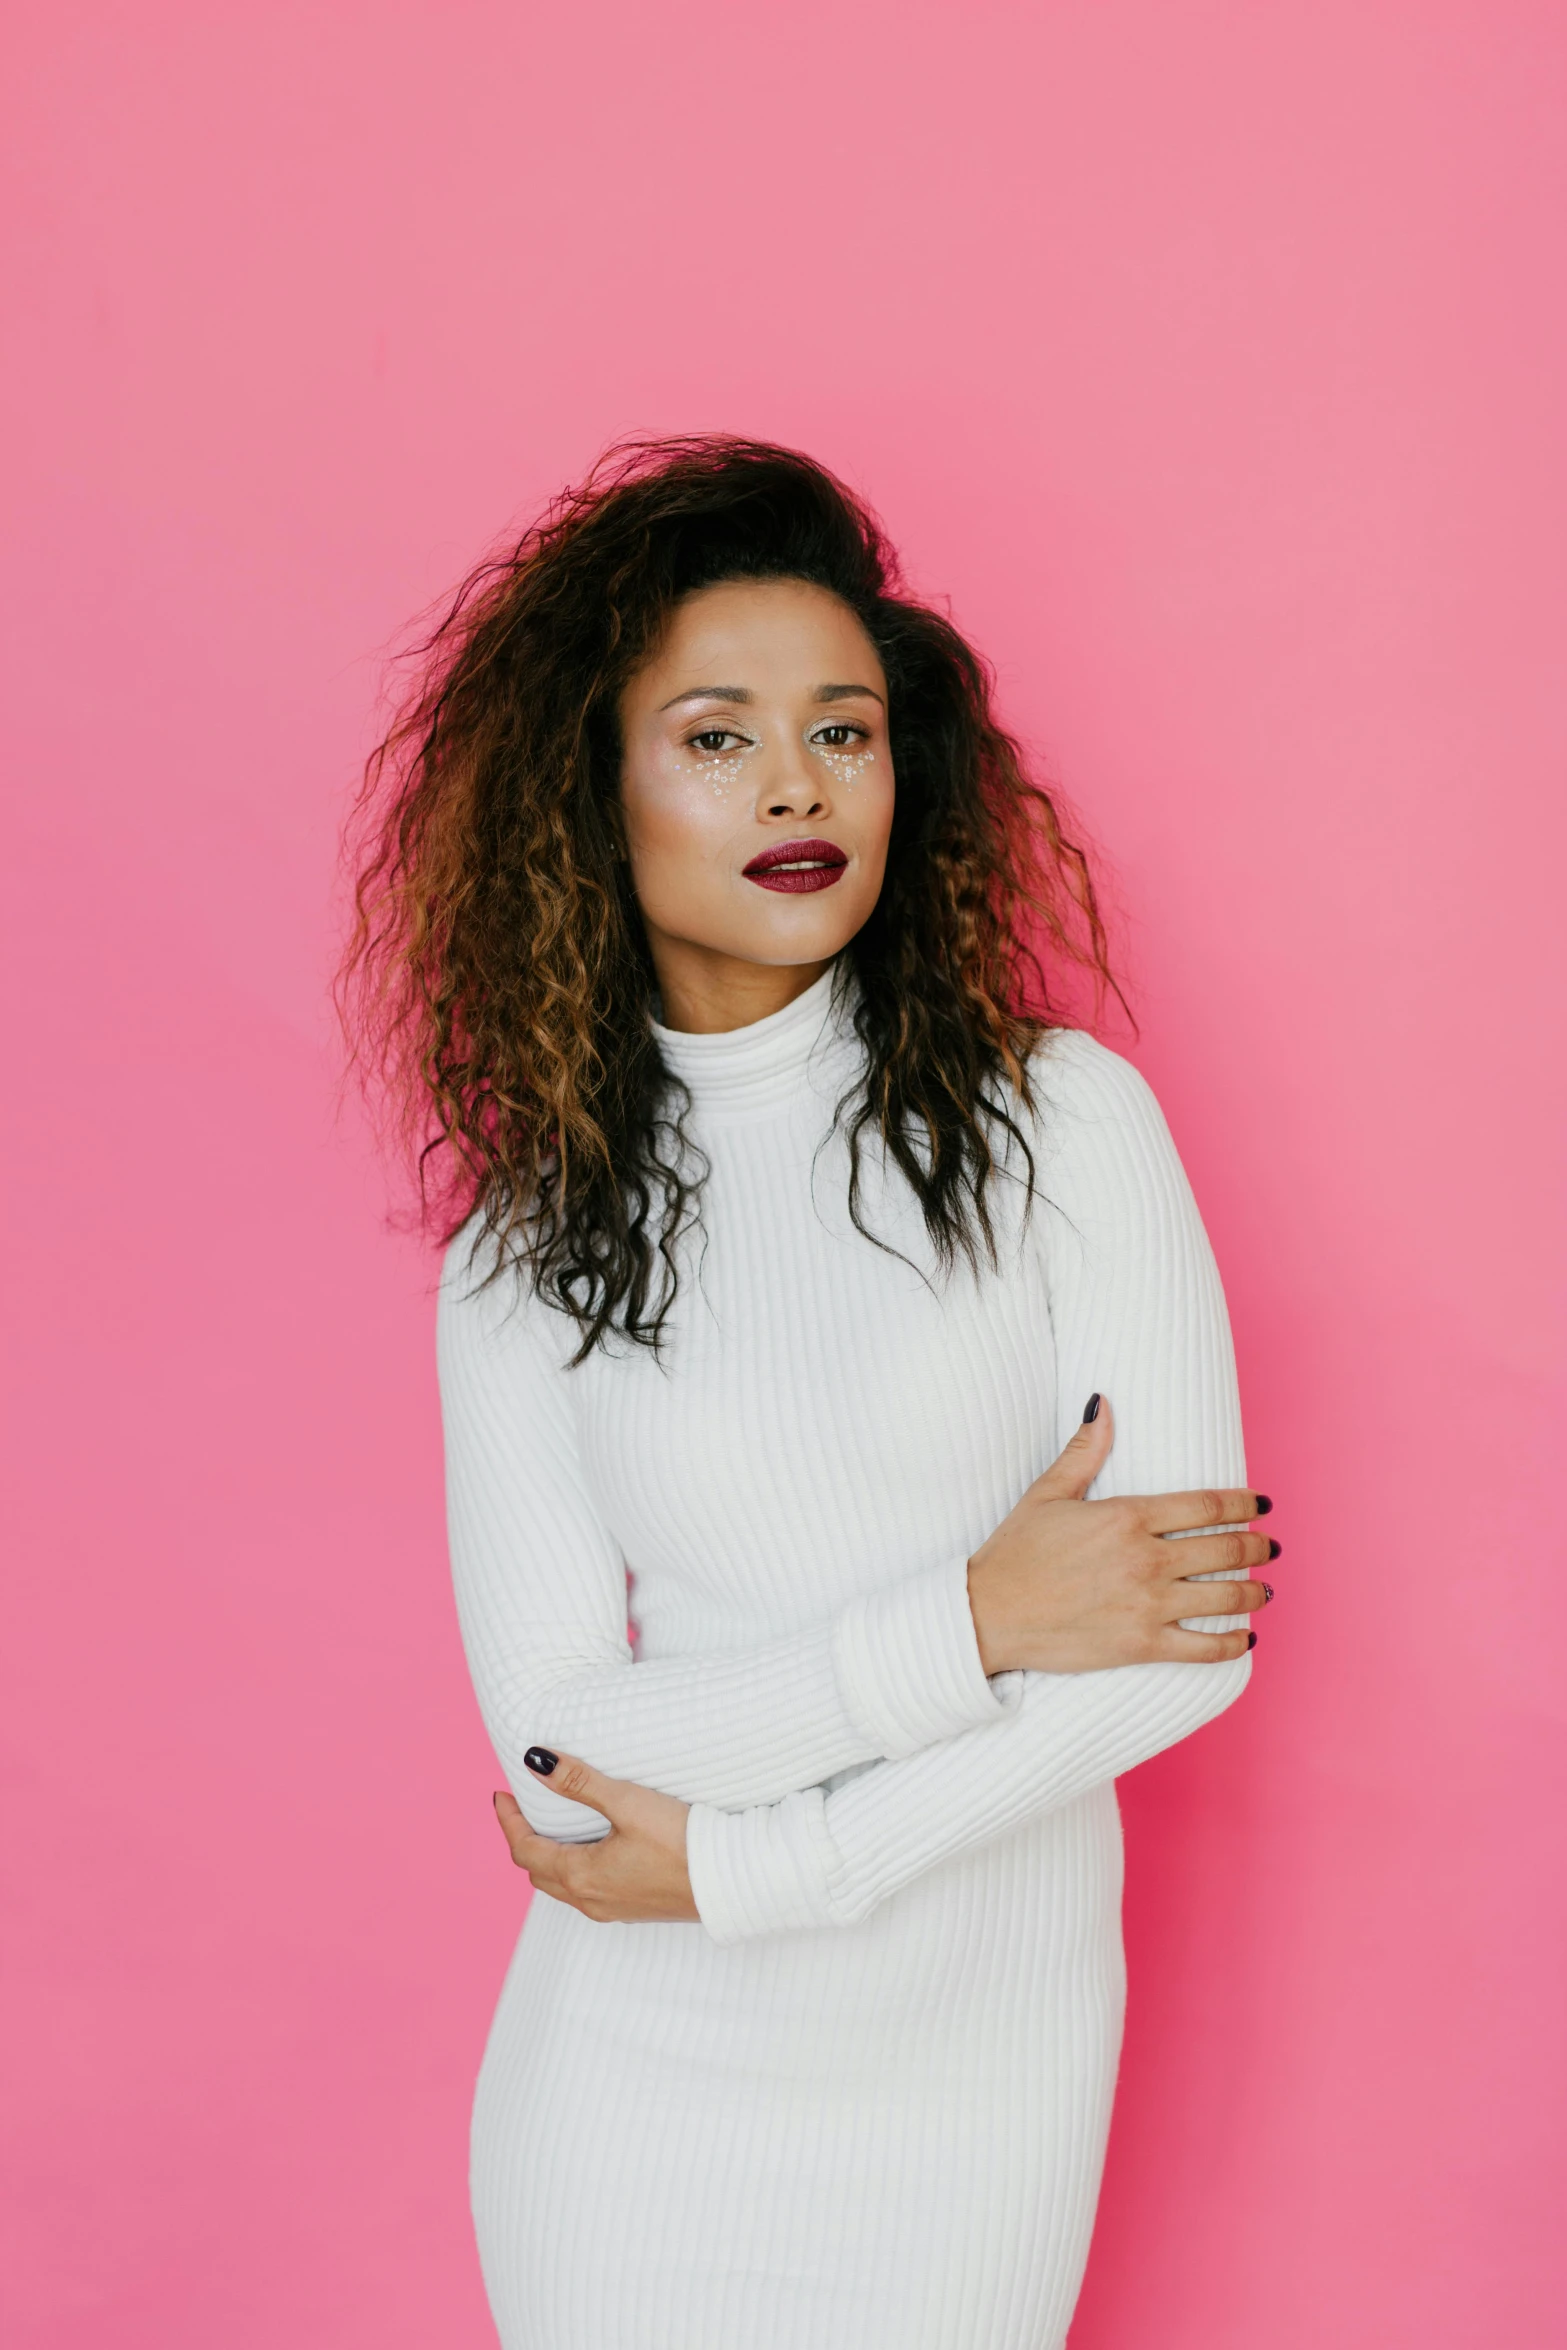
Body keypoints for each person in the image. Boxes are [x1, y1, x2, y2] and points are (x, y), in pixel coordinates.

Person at [342, 437, 1275, 2350]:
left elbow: (1186, 1646)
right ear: (588, 800)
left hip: (963, 2102)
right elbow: (561, 1755)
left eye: (843, 731)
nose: (795, 782)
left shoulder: (1057, 1128)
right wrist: (975, 1618)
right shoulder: (521, 1259)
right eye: (715, 734)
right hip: (622, 2095)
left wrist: (762, 1860)